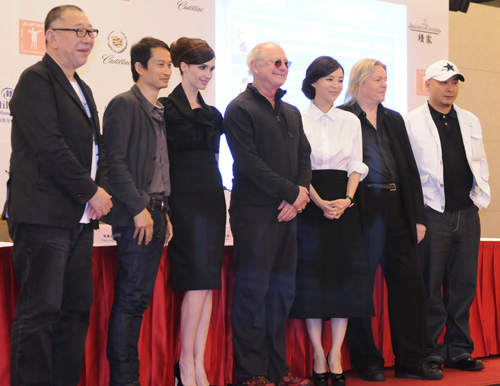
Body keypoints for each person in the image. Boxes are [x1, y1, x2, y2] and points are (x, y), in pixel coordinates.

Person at [3, 5, 112, 385]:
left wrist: (100, 192)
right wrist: (90, 190)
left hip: (78, 219)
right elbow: (49, 146)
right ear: (50, 36)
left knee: (76, 309)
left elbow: (94, 149)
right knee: (40, 312)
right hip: (42, 215)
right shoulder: (36, 79)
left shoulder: (81, 86)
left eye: (90, 32)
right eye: (77, 31)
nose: (87, 39)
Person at [339, 59, 442, 381]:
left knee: (410, 287)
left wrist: (418, 218)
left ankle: (410, 360)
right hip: (363, 211)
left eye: (386, 79)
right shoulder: (344, 117)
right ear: (360, 82)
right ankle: (367, 360)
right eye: (378, 79)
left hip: (398, 209)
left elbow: (410, 171)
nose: (385, 84)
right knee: (360, 289)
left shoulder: (394, 120)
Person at [224, 42, 312, 386]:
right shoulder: (240, 109)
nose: (283, 66)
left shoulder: (291, 111)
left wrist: (301, 194)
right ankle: (251, 374)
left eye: (287, 62)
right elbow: (248, 164)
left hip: (289, 214)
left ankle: (279, 371)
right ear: (254, 66)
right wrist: (292, 193)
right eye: (276, 62)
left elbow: (304, 156)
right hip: (255, 214)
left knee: (282, 294)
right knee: (253, 293)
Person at [288, 56, 372, 386]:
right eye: (330, 80)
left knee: (343, 280)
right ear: (313, 82)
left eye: (340, 80)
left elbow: (357, 163)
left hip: (344, 202)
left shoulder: (349, 120)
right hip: (309, 200)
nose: (336, 86)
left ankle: (336, 353)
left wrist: (348, 200)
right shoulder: (297, 117)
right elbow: (298, 166)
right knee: (313, 281)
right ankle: (317, 355)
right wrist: (318, 200)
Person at [404, 60, 490, 372]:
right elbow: (409, 174)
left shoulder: (469, 120)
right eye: (443, 82)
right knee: (430, 286)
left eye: (454, 82)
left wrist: (480, 198)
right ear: (427, 84)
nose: (449, 88)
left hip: (467, 213)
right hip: (432, 214)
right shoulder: (411, 122)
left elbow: (479, 163)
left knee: (463, 285)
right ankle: (431, 352)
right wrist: (417, 216)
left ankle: (459, 350)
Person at [103, 37, 173, 386]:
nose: (167, 71)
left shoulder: (159, 110)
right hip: (136, 215)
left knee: (140, 300)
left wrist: (163, 211)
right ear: (139, 67)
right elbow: (114, 164)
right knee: (130, 300)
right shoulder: (124, 105)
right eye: (159, 64)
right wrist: (137, 208)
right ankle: (125, 379)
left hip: (157, 212)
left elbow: (159, 168)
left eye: (169, 64)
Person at [158, 37, 226, 386]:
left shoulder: (214, 114)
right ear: (182, 66)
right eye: (202, 67)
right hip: (182, 201)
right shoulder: (163, 108)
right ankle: (184, 364)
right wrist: (165, 208)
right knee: (196, 282)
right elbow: (159, 162)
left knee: (208, 284)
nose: (208, 75)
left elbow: (216, 160)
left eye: (212, 68)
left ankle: (199, 363)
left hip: (213, 199)